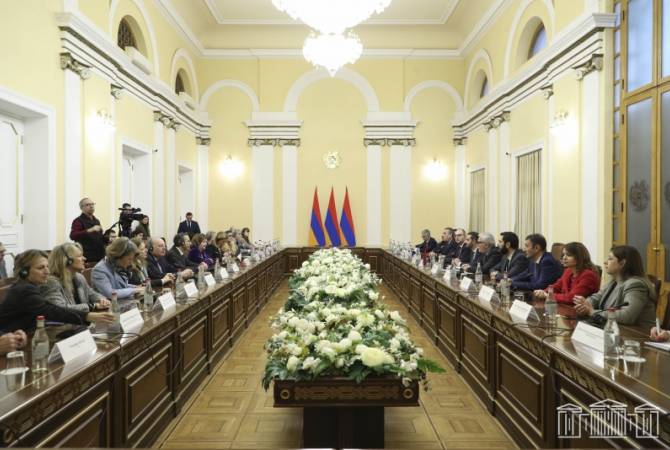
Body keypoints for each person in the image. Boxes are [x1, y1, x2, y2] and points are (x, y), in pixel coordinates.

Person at [0, 250, 114, 332]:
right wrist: (88, 316)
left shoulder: (27, 286)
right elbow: (50, 310)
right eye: (41, 268)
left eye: (47, 267)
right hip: (9, 340)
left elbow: (49, 308)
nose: (47, 272)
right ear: (24, 272)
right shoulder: (24, 289)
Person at [575, 245, 656, 328]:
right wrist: (585, 305)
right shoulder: (613, 282)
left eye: (610, 258)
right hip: (615, 329)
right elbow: (595, 298)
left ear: (622, 263)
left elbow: (627, 316)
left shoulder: (636, 285)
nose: (605, 262)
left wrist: (592, 312)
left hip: (638, 335)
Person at [41, 243, 111, 313]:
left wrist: (101, 300)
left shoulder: (79, 277)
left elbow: (91, 293)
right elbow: (59, 308)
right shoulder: (51, 282)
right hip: (66, 323)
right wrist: (93, 306)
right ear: (68, 261)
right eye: (80, 256)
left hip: (81, 321)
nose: (84, 258)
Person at [533, 242, 600, 304]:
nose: (564, 258)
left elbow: (573, 298)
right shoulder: (568, 271)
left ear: (579, 257)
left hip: (580, 313)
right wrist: (543, 292)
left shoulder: (588, 275)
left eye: (569, 255)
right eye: (563, 255)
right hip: (566, 308)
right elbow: (557, 286)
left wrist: (549, 296)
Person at [69, 197, 106, 263]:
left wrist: (107, 237)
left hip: (100, 256)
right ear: (81, 208)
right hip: (87, 257)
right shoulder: (78, 221)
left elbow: (99, 237)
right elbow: (73, 236)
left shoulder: (96, 220)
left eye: (92, 204)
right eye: (88, 205)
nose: (91, 206)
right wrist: (90, 230)